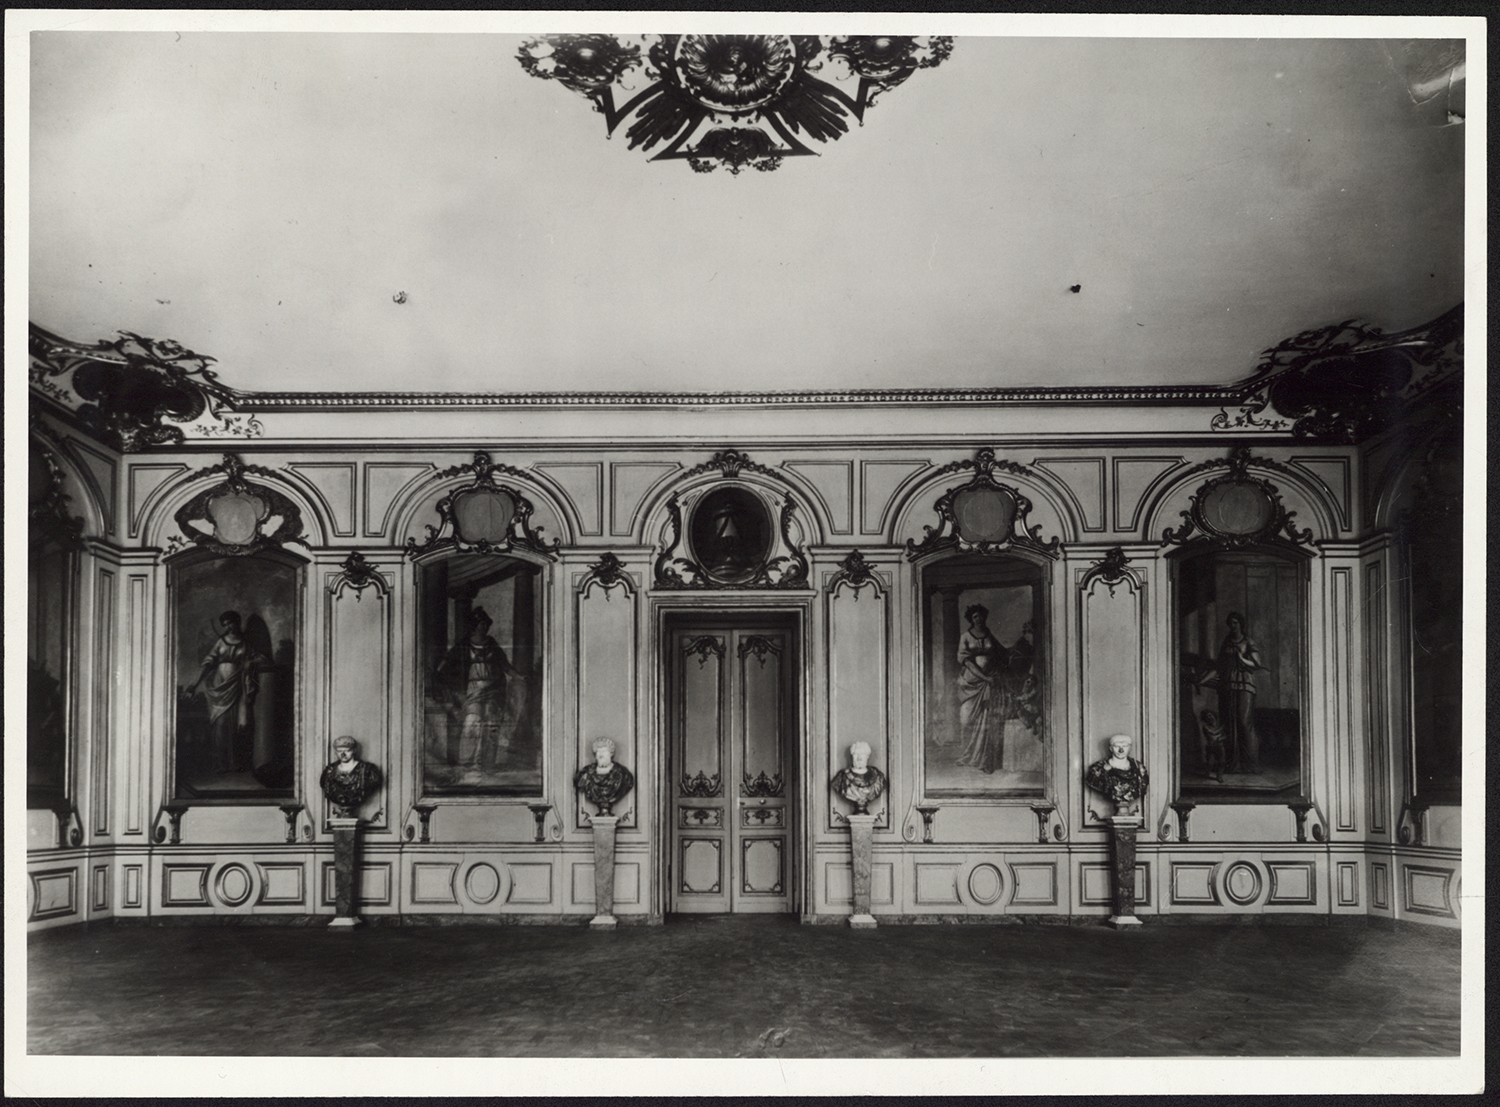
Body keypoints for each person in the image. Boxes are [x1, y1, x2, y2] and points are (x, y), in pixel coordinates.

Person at [434, 607, 522, 771]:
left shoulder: (491, 643)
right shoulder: (464, 644)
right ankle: (467, 763)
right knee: (472, 723)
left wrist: (519, 676)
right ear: (474, 625)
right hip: (472, 691)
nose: (485, 627)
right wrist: (439, 670)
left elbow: (505, 665)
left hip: (493, 690)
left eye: (486, 624)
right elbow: (447, 662)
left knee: (491, 724)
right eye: (481, 624)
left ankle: (486, 764)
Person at [188, 610, 267, 774]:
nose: (228, 627)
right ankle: (220, 763)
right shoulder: (221, 642)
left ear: (237, 622)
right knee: (221, 724)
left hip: (237, 684)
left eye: (231, 623)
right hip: (220, 686)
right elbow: (207, 664)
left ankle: (235, 763)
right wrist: (193, 686)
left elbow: (262, 658)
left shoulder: (245, 643)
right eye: (225, 624)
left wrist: (250, 662)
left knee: (238, 724)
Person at [954, 604, 1009, 773]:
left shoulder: (989, 635)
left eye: (981, 616)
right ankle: (967, 754)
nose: (979, 619)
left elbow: (1002, 653)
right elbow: (967, 662)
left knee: (985, 719)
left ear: (985, 617)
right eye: (975, 617)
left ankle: (983, 758)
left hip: (988, 682)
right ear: (971, 619)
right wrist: (985, 677)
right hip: (971, 683)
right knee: (966, 719)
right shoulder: (965, 636)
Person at [1216, 612, 1265, 773]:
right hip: (1230, 685)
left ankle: (1251, 765)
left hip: (1245, 685)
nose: (1233, 626)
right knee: (1231, 724)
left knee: (1244, 723)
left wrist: (1241, 659)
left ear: (1241, 624)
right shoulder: (1226, 642)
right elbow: (1220, 665)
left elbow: (1256, 664)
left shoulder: (1248, 641)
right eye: (1230, 623)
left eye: (1235, 623)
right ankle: (1233, 764)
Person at [1084, 734, 1149, 817]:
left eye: (1125, 746)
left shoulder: (1140, 769)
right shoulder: (1097, 770)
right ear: (1110, 748)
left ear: (1130, 748)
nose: (1121, 750)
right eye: (1117, 746)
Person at [319, 735, 382, 817]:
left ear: (354, 750)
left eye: (347, 751)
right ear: (335, 752)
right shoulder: (329, 772)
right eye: (339, 751)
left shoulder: (367, 771)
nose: (343, 754)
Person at [574, 737, 634, 815]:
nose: (601, 755)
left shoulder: (623, 775)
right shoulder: (586, 774)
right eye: (598, 751)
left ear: (611, 754)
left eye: (604, 751)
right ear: (595, 755)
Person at [831, 741, 887, 814]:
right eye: (856, 754)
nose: (859, 758)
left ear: (867, 756)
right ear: (852, 756)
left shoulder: (878, 777)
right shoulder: (842, 777)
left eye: (862, 754)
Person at [1199, 708, 1227, 782]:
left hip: (1220, 746)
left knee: (1222, 762)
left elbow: (1225, 735)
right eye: (1207, 717)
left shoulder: (1218, 725)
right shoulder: (1205, 726)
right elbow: (1213, 732)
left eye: (1210, 715)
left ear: (1214, 716)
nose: (1209, 717)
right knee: (1210, 763)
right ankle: (1207, 773)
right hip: (1210, 746)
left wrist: (1221, 738)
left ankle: (1219, 777)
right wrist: (1222, 728)